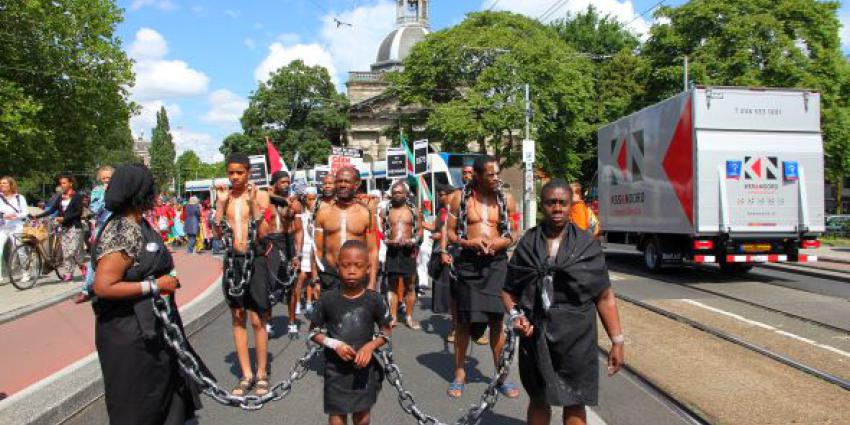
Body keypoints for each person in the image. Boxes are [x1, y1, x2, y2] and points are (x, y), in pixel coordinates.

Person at [91, 163, 205, 425]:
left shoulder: (139, 223)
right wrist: (155, 286)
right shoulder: (122, 230)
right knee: (139, 404)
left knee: (166, 397)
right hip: (130, 336)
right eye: (150, 187)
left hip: (153, 328)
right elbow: (104, 286)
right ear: (138, 192)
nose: (155, 193)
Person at [504, 179, 625, 425]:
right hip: (535, 335)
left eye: (562, 203)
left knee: (575, 400)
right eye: (551, 203)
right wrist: (517, 315)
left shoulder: (586, 245)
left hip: (577, 338)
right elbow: (508, 291)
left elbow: (604, 296)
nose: (557, 208)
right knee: (538, 399)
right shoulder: (528, 243)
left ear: (571, 206)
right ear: (543, 206)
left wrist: (617, 341)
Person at [446, 155, 520, 399]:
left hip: (496, 265)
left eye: (497, 172)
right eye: (491, 174)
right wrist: (470, 242)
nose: (496, 177)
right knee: (464, 322)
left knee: (497, 322)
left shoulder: (506, 199)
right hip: (468, 264)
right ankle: (459, 373)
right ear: (477, 176)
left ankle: (501, 375)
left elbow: (514, 233)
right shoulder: (459, 198)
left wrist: (499, 242)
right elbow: (450, 234)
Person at [308, 240, 391, 425]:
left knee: (362, 417)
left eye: (358, 266)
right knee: (336, 417)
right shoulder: (327, 299)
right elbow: (313, 332)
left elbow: (386, 331)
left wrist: (370, 346)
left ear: (368, 269)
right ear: (338, 267)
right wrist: (334, 344)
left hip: (364, 369)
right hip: (335, 369)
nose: (351, 270)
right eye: (346, 266)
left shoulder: (374, 300)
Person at [214, 153, 272, 397]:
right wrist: (219, 205)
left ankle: (261, 373)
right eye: (231, 172)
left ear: (248, 172)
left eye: (240, 172)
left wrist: (254, 206)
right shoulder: (225, 199)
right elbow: (217, 236)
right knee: (238, 317)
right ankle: (245, 374)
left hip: (254, 260)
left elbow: (265, 234)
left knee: (257, 319)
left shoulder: (260, 195)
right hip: (232, 262)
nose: (235, 177)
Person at [314, 167, 378, 292]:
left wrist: (372, 282)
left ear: (356, 184)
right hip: (329, 275)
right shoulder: (323, 213)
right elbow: (317, 250)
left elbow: (372, 251)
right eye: (339, 181)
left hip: (358, 275)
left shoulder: (366, 214)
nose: (342, 185)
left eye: (347, 181)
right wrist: (315, 278)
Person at [259, 171, 303, 336]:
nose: (286, 185)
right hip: (270, 243)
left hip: (288, 242)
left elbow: (299, 231)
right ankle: (268, 323)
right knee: (268, 286)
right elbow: (263, 194)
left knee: (291, 285)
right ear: (274, 183)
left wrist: (297, 254)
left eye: (288, 182)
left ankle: (291, 322)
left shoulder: (294, 203)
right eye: (282, 182)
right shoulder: (265, 200)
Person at [383, 180, 423, 329]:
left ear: (406, 194)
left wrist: (412, 240)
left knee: (410, 285)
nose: (396, 195)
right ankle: (393, 317)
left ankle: (408, 316)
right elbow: (380, 231)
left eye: (399, 192)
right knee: (392, 285)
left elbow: (420, 230)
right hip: (392, 251)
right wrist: (388, 241)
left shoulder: (414, 210)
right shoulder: (386, 210)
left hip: (408, 251)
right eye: (394, 192)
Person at [38, 173, 86, 281]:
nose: (62, 185)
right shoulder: (60, 196)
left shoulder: (78, 196)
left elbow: (78, 212)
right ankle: (68, 273)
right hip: (64, 227)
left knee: (73, 251)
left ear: (70, 183)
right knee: (66, 252)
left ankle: (82, 265)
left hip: (75, 226)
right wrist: (37, 216)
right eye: (61, 183)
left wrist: (64, 218)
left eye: (64, 183)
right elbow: (51, 210)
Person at [430, 184, 456, 335]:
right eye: (439, 194)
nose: (440, 197)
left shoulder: (454, 211)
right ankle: (455, 327)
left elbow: (451, 231)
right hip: (442, 252)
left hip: (453, 252)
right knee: (449, 291)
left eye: (442, 194)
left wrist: (441, 237)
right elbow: (438, 228)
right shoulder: (442, 211)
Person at [0, 176, 30, 280]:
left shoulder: (19, 198)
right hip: (2, 227)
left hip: (16, 227)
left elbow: (25, 213)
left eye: (4, 183)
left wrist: (15, 216)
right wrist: (3, 216)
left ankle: (25, 272)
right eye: (1, 183)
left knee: (20, 250)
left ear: (11, 185)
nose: (2, 185)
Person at [295, 187, 320, 312]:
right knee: (303, 276)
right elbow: (298, 232)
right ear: (305, 199)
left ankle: (309, 301)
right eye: (310, 199)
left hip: (316, 246)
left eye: (314, 198)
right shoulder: (301, 213)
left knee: (313, 276)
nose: (312, 201)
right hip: (305, 246)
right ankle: (298, 301)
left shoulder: (319, 212)